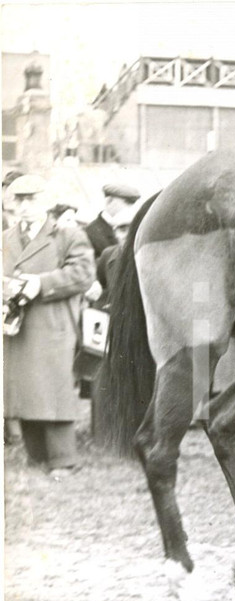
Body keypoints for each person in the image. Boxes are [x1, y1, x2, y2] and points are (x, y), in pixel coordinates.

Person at [2, 174, 95, 475]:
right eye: (19, 199)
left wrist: (40, 284)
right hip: (17, 327)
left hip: (52, 324)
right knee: (25, 391)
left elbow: (83, 274)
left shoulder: (67, 235)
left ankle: (63, 460)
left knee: (52, 390)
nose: (25, 206)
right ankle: (37, 454)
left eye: (32, 199)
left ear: (45, 202)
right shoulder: (6, 238)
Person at [84, 182, 140, 260]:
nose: (131, 208)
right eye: (127, 203)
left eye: (133, 204)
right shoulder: (88, 233)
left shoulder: (135, 228)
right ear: (109, 201)